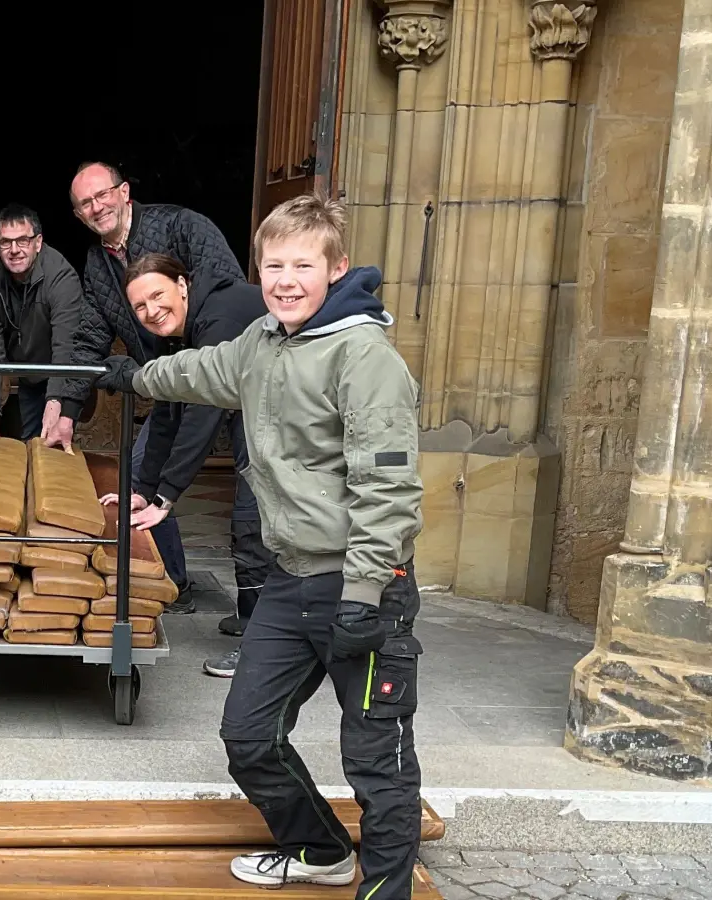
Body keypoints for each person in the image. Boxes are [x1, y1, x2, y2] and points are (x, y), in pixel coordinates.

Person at [96, 193, 424, 898]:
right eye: (273, 264)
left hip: (363, 586)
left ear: (335, 270)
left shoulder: (365, 359)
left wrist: (365, 596)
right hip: (289, 581)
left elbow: (388, 491)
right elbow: (202, 372)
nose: (285, 278)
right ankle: (320, 851)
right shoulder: (263, 341)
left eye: (302, 264)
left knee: (377, 760)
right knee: (249, 737)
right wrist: (138, 375)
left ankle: (386, 891)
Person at [52, 160, 250, 614]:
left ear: (124, 192)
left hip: (232, 375)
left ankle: (253, 619)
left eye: (103, 194)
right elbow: (88, 338)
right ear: (79, 215)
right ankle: (170, 584)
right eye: (86, 203)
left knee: (253, 496)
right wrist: (65, 405)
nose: (97, 206)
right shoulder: (98, 265)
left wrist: (169, 490)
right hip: (171, 384)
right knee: (139, 477)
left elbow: (222, 300)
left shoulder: (183, 226)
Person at [97, 253, 273, 679]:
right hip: (253, 403)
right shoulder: (176, 332)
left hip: (276, 409)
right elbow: (166, 411)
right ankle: (255, 622)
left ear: (182, 284)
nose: (151, 311)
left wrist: (166, 495)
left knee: (256, 521)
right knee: (252, 521)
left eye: (157, 296)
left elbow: (202, 410)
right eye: (139, 306)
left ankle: (261, 648)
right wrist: (142, 486)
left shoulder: (218, 317)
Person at [0, 204, 84, 441]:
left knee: (56, 443)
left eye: (23, 240)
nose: (14, 250)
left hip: (62, 371)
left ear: (38, 242)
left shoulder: (62, 277)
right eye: (6, 242)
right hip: (29, 374)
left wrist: (55, 400)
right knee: (31, 441)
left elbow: (66, 346)